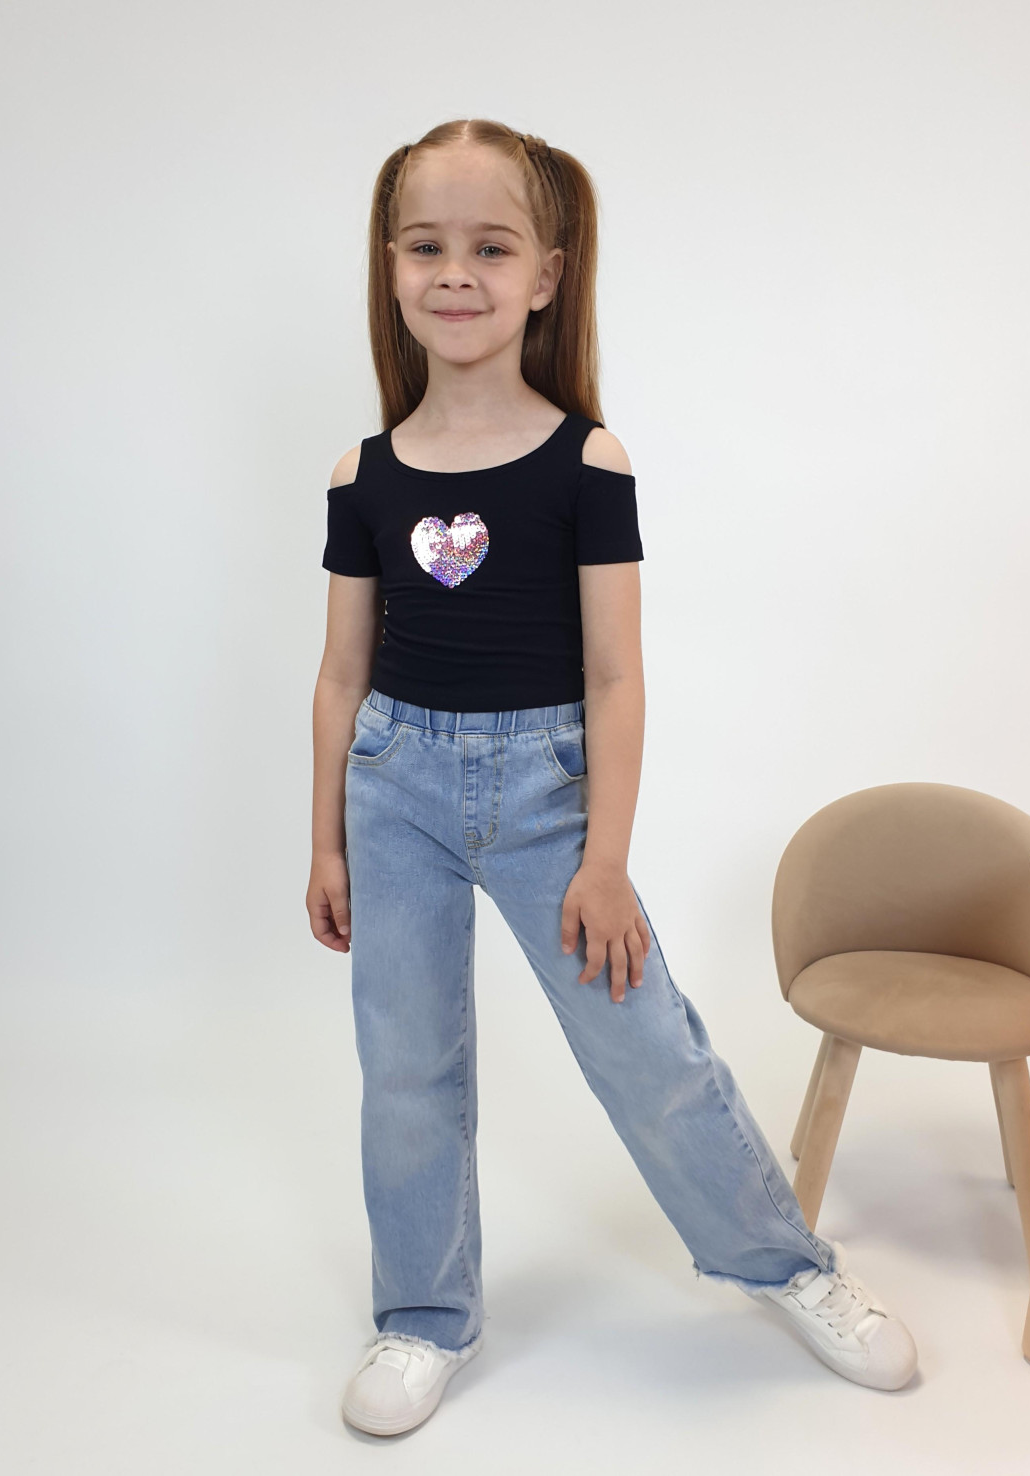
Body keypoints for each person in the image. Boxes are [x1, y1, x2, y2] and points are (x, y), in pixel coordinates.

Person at [308, 119, 918, 1438]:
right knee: (405, 1068)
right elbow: (341, 672)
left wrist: (603, 859)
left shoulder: (587, 464)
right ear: (389, 265)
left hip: (546, 796)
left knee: (646, 1051)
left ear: (547, 275)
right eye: (425, 246)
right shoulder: (365, 475)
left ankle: (785, 1265)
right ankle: (423, 1316)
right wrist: (327, 843)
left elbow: (616, 676)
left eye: (490, 247)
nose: (454, 273)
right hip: (394, 788)